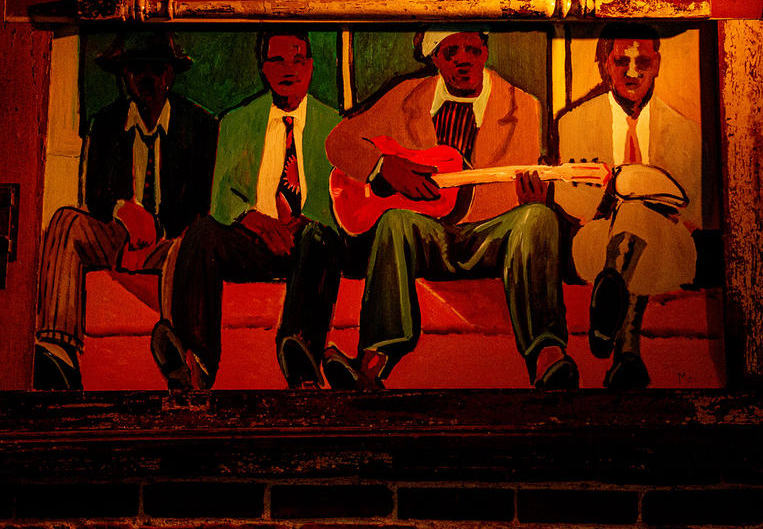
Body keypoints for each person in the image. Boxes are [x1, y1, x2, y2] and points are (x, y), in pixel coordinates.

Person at [322, 28, 577, 390]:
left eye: (472, 50)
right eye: (451, 51)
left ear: (485, 52)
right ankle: (372, 361)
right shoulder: (406, 97)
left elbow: (507, 193)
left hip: (488, 234)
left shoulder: (522, 105)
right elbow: (338, 141)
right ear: (435, 59)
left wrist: (531, 203)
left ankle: (548, 356)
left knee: (538, 217)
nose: (463, 60)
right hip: (429, 234)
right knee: (394, 220)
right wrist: (382, 167)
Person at [151, 29, 342, 390]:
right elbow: (221, 198)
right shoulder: (237, 121)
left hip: (311, 244)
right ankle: (195, 360)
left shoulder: (335, 126)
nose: (288, 69)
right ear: (263, 68)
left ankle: (301, 356)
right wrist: (256, 222)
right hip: (256, 240)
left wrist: (299, 225)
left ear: (311, 67)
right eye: (277, 60)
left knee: (319, 238)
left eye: (298, 60)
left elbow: (341, 199)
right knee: (203, 232)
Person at [33, 32, 218, 390]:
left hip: (172, 240)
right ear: (124, 77)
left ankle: (180, 358)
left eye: (154, 69)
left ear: (169, 75)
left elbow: (202, 202)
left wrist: (157, 229)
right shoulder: (105, 124)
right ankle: (58, 354)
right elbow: (94, 195)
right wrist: (123, 211)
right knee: (66, 221)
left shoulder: (199, 126)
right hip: (119, 234)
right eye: (135, 70)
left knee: (192, 243)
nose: (145, 79)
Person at [556, 24, 702, 389]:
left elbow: (692, 213)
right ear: (606, 64)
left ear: (657, 64)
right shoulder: (573, 122)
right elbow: (571, 204)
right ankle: (627, 352)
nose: (632, 72)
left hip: (665, 246)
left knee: (639, 219)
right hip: (597, 241)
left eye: (643, 62)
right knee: (632, 216)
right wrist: (614, 199)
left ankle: (610, 318)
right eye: (622, 61)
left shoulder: (686, 132)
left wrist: (643, 212)